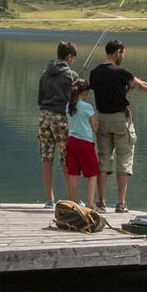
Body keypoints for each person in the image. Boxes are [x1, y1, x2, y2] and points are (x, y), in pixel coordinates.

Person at [87, 39, 147, 213]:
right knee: (124, 160)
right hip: (120, 120)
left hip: (102, 119)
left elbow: (102, 91)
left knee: (103, 160)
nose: (123, 56)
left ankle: (100, 203)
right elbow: (140, 84)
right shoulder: (121, 71)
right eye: (122, 53)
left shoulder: (94, 72)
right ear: (117, 53)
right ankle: (121, 204)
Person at [35, 40, 83, 206]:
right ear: (69, 56)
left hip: (43, 117)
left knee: (46, 158)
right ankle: (72, 199)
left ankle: (50, 199)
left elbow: (40, 99)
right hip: (61, 118)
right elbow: (77, 102)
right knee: (67, 159)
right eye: (73, 58)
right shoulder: (72, 76)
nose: (73, 61)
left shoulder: (45, 73)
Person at [63, 79, 103, 208]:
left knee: (73, 173)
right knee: (92, 173)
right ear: (85, 92)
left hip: (71, 142)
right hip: (85, 144)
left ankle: (73, 204)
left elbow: (69, 126)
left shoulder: (68, 106)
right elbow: (94, 127)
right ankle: (90, 205)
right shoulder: (88, 107)